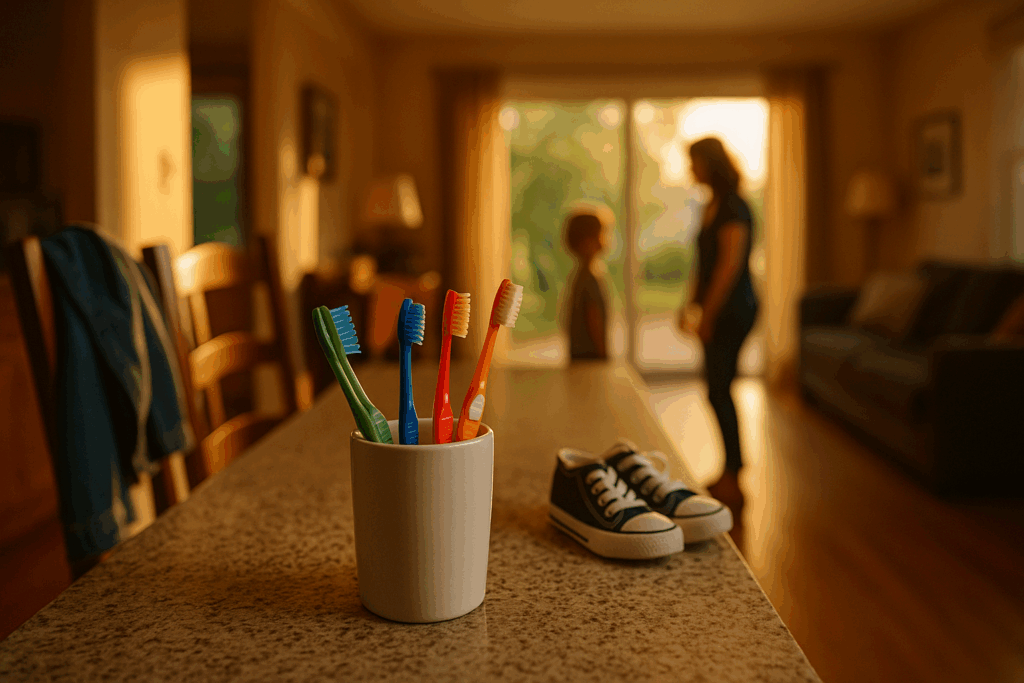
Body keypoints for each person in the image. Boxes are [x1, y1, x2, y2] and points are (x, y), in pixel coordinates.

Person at [678, 137, 759, 510]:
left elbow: (728, 269)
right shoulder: (711, 205)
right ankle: (730, 470)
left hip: (735, 310)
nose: (690, 169)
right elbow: (705, 265)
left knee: (719, 387)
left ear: (710, 163)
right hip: (718, 309)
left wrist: (707, 315)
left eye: (693, 162)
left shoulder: (734, 208)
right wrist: (689, 305)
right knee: (716, 387)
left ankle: (734, 477)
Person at [564, 208, 610, 361]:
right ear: (587, 240)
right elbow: (593, 318)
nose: (605, 238)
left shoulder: (579, 276)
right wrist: (603, 353)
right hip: (590, 359)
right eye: (602, 233)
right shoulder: (589, 278)